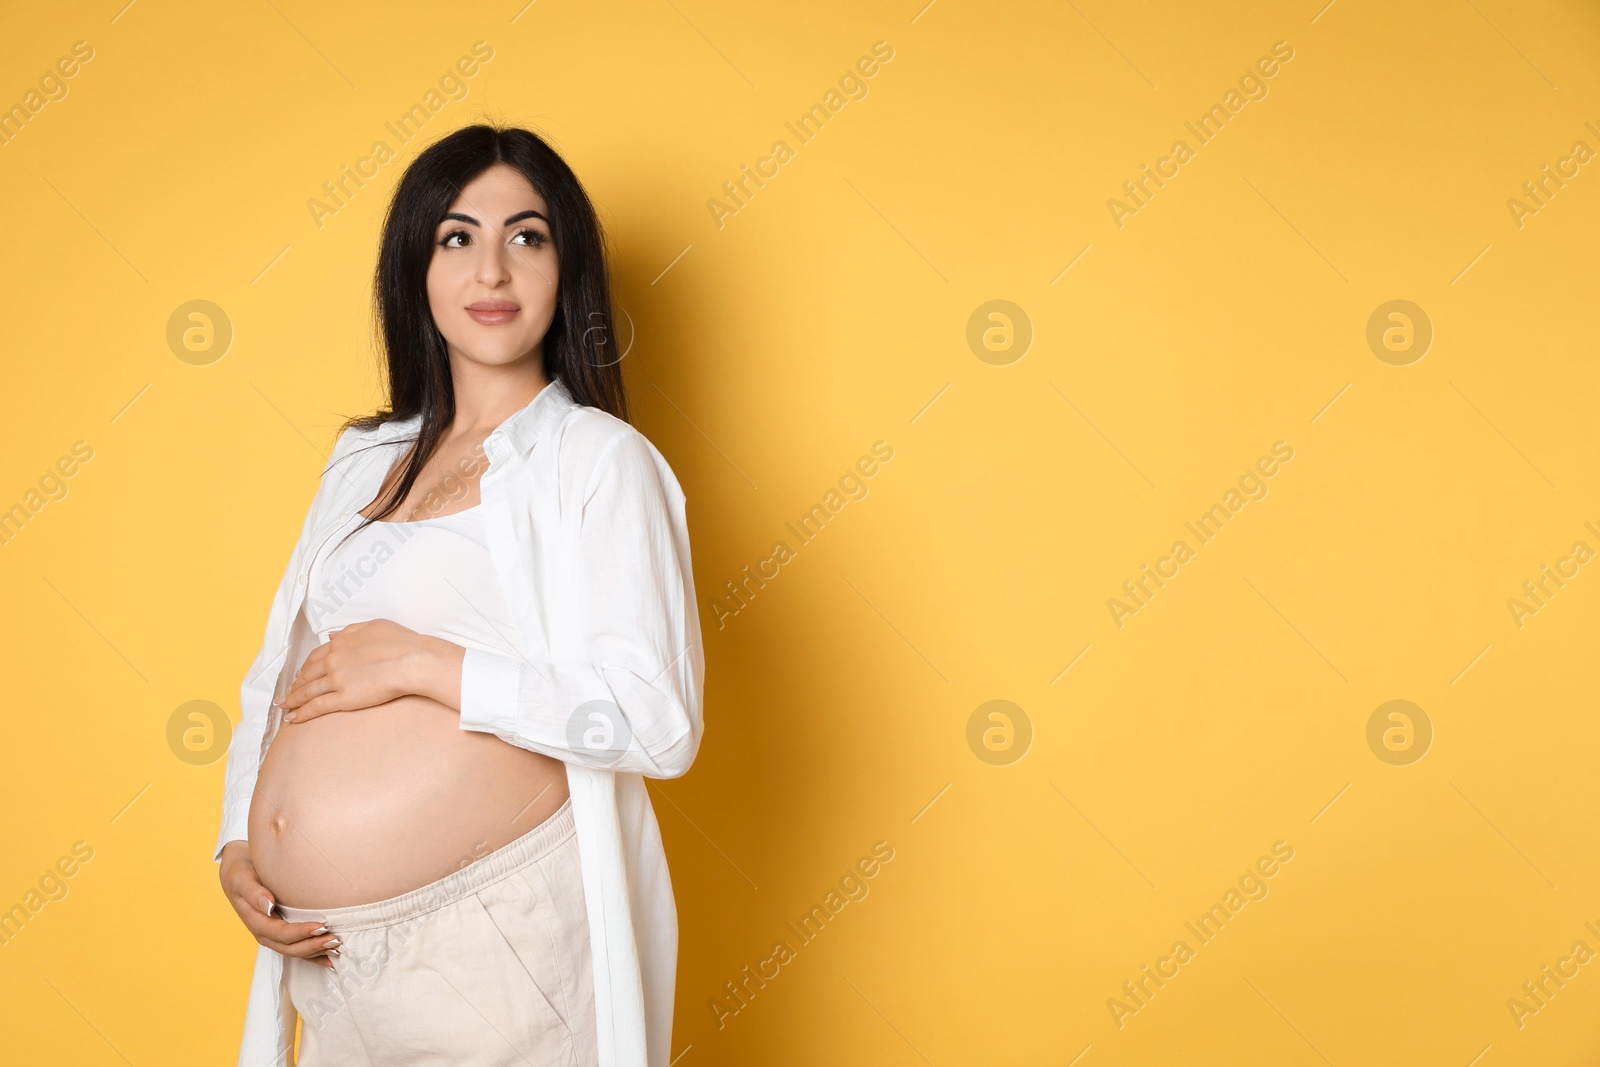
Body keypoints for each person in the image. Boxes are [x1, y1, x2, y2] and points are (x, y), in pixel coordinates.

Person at [212, 123, 705, 1067]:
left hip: (497, 955)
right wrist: (239, 842)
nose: (492, 271)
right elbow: (276, 670)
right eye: (456, 238)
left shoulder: (598, 463)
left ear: (567, 271)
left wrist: (427, 664)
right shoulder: (362, 458)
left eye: (527, 236)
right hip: (329, 964)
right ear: (417, 269)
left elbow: (656, 721)